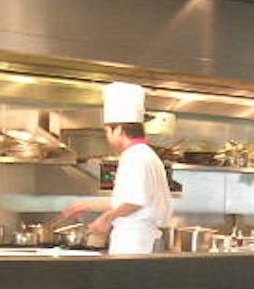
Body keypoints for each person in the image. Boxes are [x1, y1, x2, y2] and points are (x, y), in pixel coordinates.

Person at [61, 82, 173, 254]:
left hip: (135, 242)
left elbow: (135, 201)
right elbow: (127, 200)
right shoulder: (146, 154)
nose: (108, 138)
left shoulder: (135, 156)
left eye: (108, 132)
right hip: (139, 239)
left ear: (119, 130)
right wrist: (85, 205)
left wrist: (106, 219)